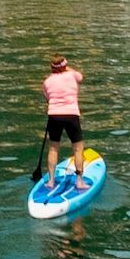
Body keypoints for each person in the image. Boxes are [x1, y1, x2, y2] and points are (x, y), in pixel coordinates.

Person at [36, 54, 83, 184]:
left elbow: (48, 99)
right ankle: (79, 180)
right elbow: (80, 77)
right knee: (78, 148)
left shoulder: (47, 82)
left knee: (53, 148)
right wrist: (67, 68)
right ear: (65, 66)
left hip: (54, 116)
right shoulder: (73, 75)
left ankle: (51, 181)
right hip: (71, 115)